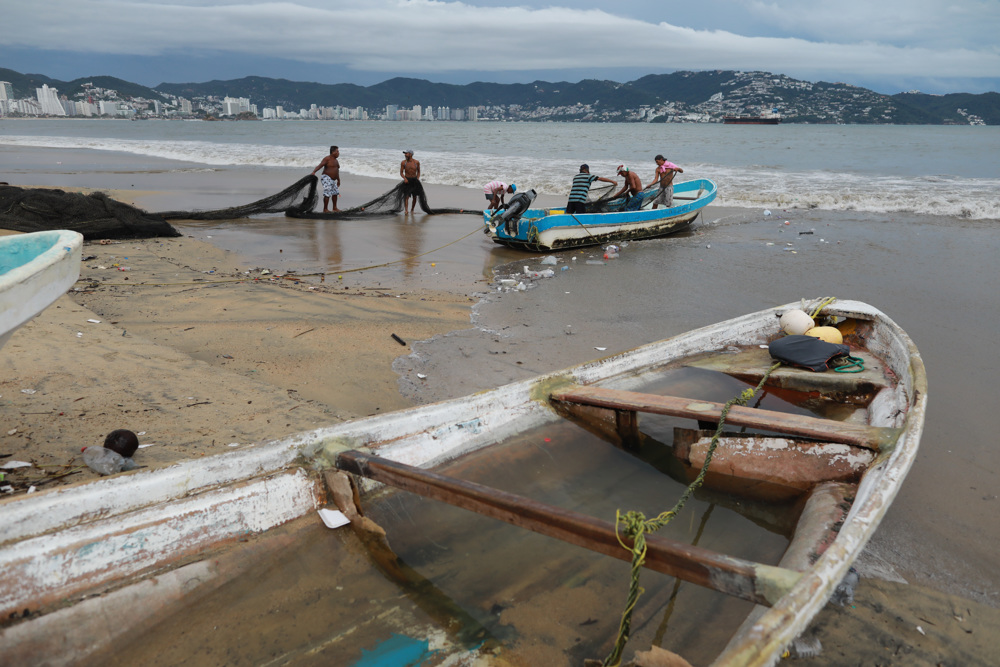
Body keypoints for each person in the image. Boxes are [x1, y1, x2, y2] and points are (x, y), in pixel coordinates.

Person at [311, 146, 341, 212]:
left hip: (333, 180)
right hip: (326, 177)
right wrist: (314, 171)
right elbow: (320, 165)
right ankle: (325, 209)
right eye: (337, 151)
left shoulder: (336, 161)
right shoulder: (327, 158)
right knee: (327, 192)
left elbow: (337, 171)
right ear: (333, 152)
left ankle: (334, 208)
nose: (338, 153)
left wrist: (338, 180)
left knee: (335, 193)